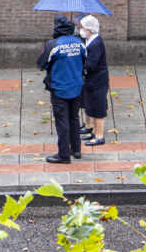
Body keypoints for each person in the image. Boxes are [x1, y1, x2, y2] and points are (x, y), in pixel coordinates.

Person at [38, 15, 86, 164]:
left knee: (62, 121)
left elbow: (41, 64)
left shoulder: (53, 45)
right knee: (74, 118)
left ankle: (63, 154)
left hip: (59, 88)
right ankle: (76, 150)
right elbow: (85, 60)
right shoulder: (80, 43)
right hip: (77, 87)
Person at [78, 15, 108, 146]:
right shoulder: (90, 41)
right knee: (91, 105)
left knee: (98, 107)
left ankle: (99, 136)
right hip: (92, 81)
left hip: (97, 81)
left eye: (83, 27)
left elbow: (91, 64)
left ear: (89, 29)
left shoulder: (95, 44)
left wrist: (80, 65)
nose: (81, 29)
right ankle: (94, 131)